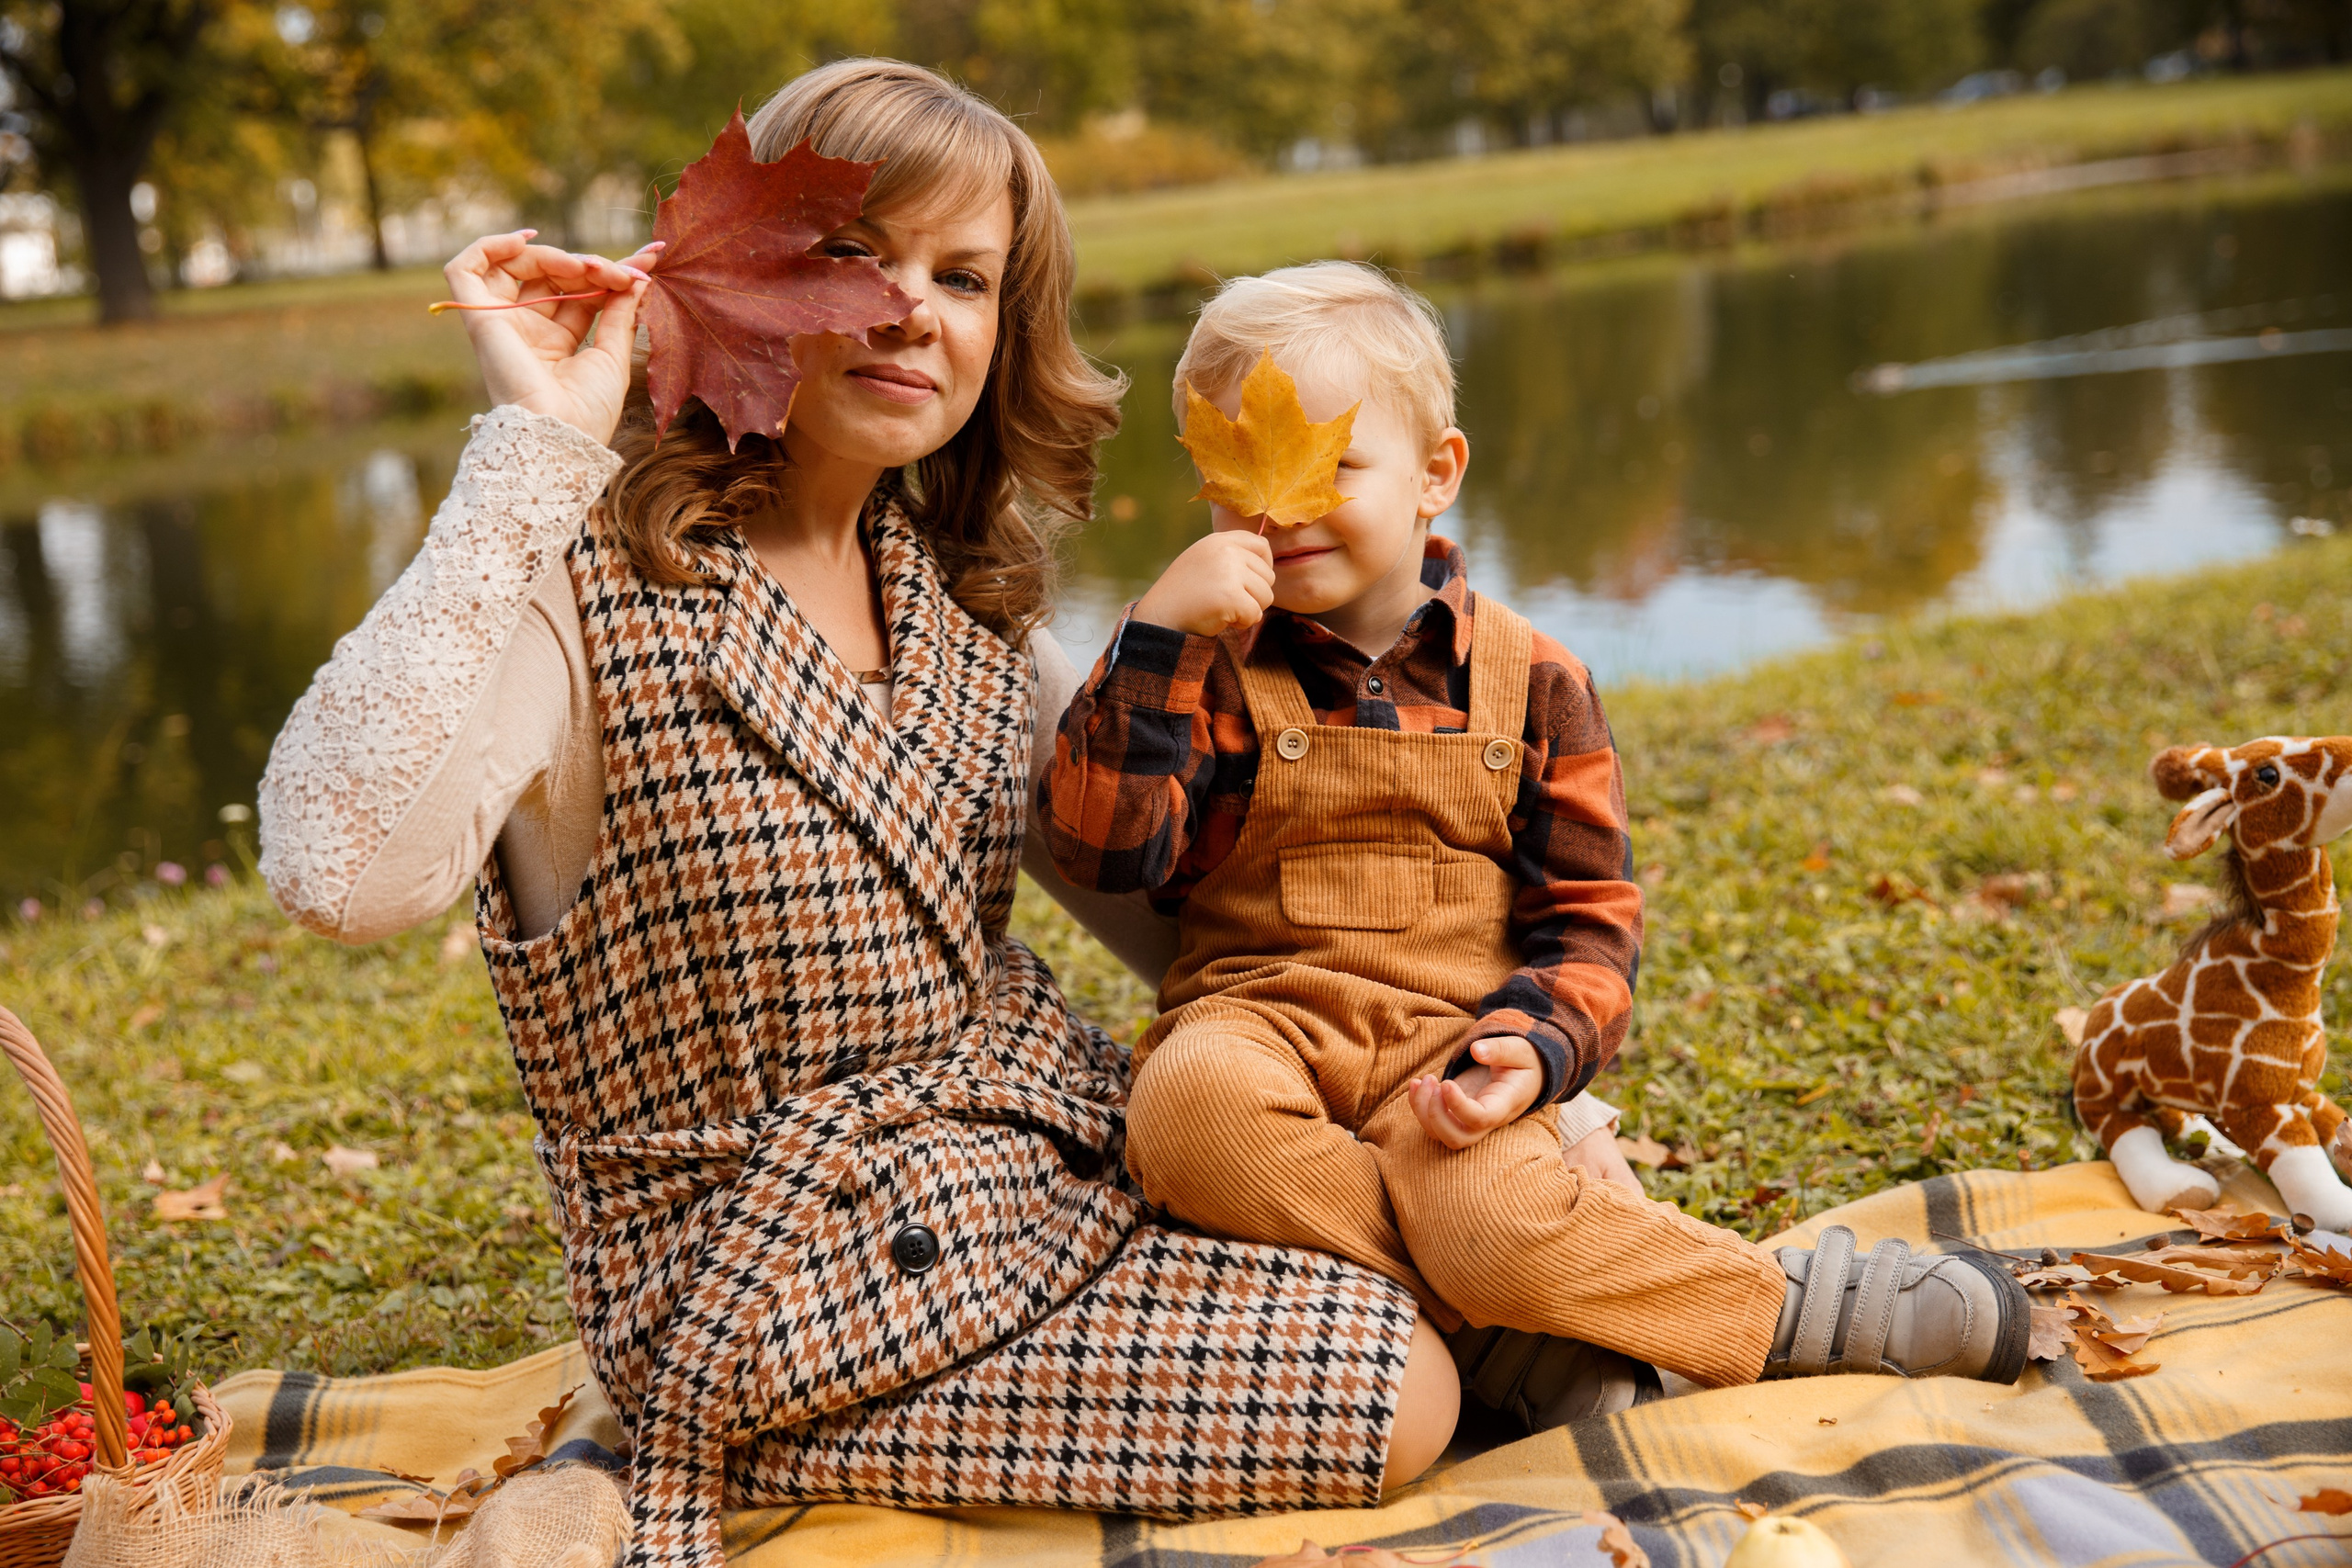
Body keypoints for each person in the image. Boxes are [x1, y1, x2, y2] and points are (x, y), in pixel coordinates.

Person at [1041, 263, 2032, 1413]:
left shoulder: (1534, 681)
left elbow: (1589, 922)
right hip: (1261, 1026)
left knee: (1485, 1208)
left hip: (1452, 1047)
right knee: (1182, 1113)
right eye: (1233, 478)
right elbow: (1106, 855)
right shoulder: (1190, 665)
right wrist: (1155, 643)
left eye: (1331, 466)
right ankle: (1506, 1337)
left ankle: (1792, 1303)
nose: (1277, 511)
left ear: (1436, 474)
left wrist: (1534, 1049)